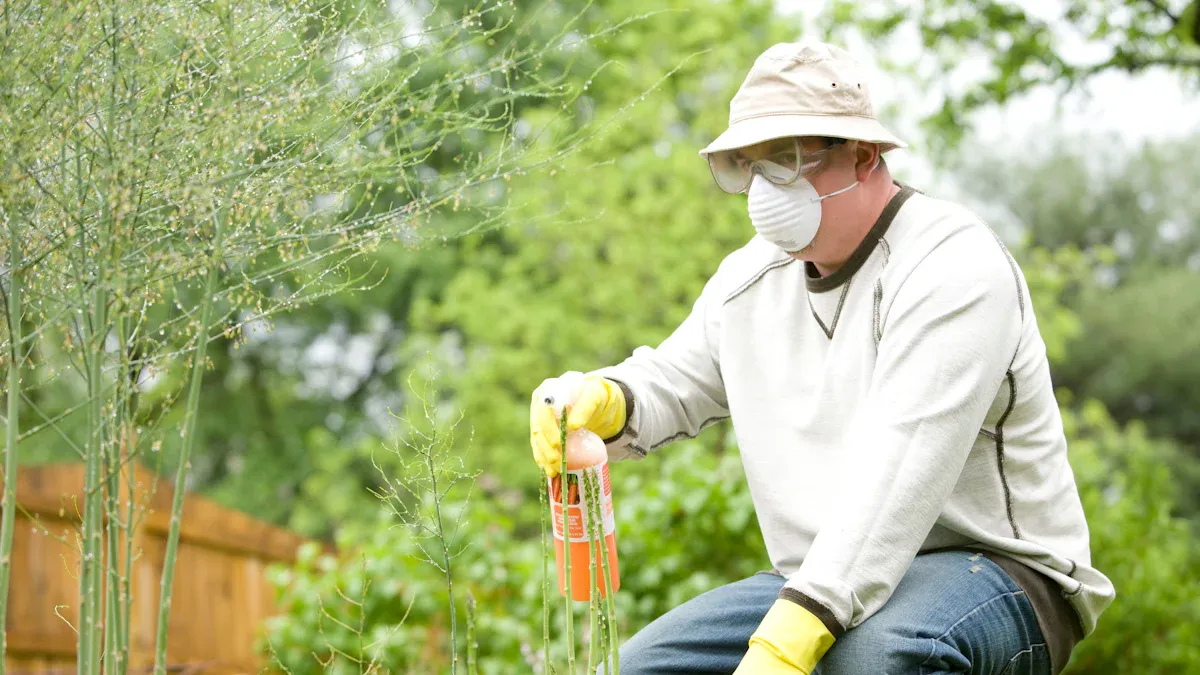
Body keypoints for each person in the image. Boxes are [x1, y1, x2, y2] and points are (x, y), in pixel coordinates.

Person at [528, 41, 1114, 675]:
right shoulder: (749, 279)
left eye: (787, 160)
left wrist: (785, 647)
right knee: (642, 667)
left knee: (873, 658)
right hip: (821, 577)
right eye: (748, 166)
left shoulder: (952, 267)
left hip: (994, 570)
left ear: (862, 156)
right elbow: (675, 379)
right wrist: (605, 400)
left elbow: (899, 475)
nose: (763, 188)